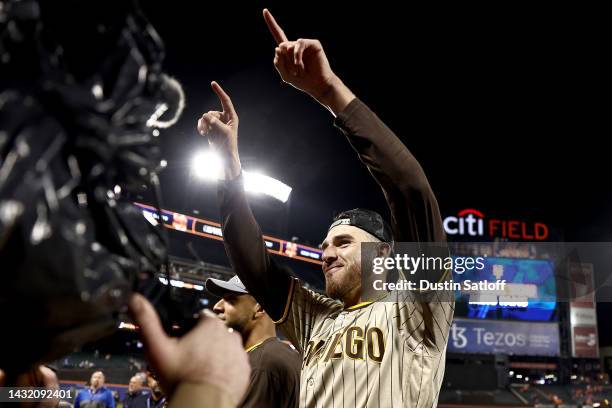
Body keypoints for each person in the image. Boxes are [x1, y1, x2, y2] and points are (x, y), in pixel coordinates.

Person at [196, 8, 454, 407]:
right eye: (327, 244)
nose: (328, 252)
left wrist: (329, 91)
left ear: (384, 255)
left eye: (344, 242)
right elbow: (254, 266)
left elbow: (410, 190)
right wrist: (230, 170)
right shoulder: (316, 316)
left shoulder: (417, 307)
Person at [206, 275, 301, 407]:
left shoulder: (262, 363)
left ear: (260, 308)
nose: (217, 306)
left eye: (230, 300)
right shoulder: (275, 353)